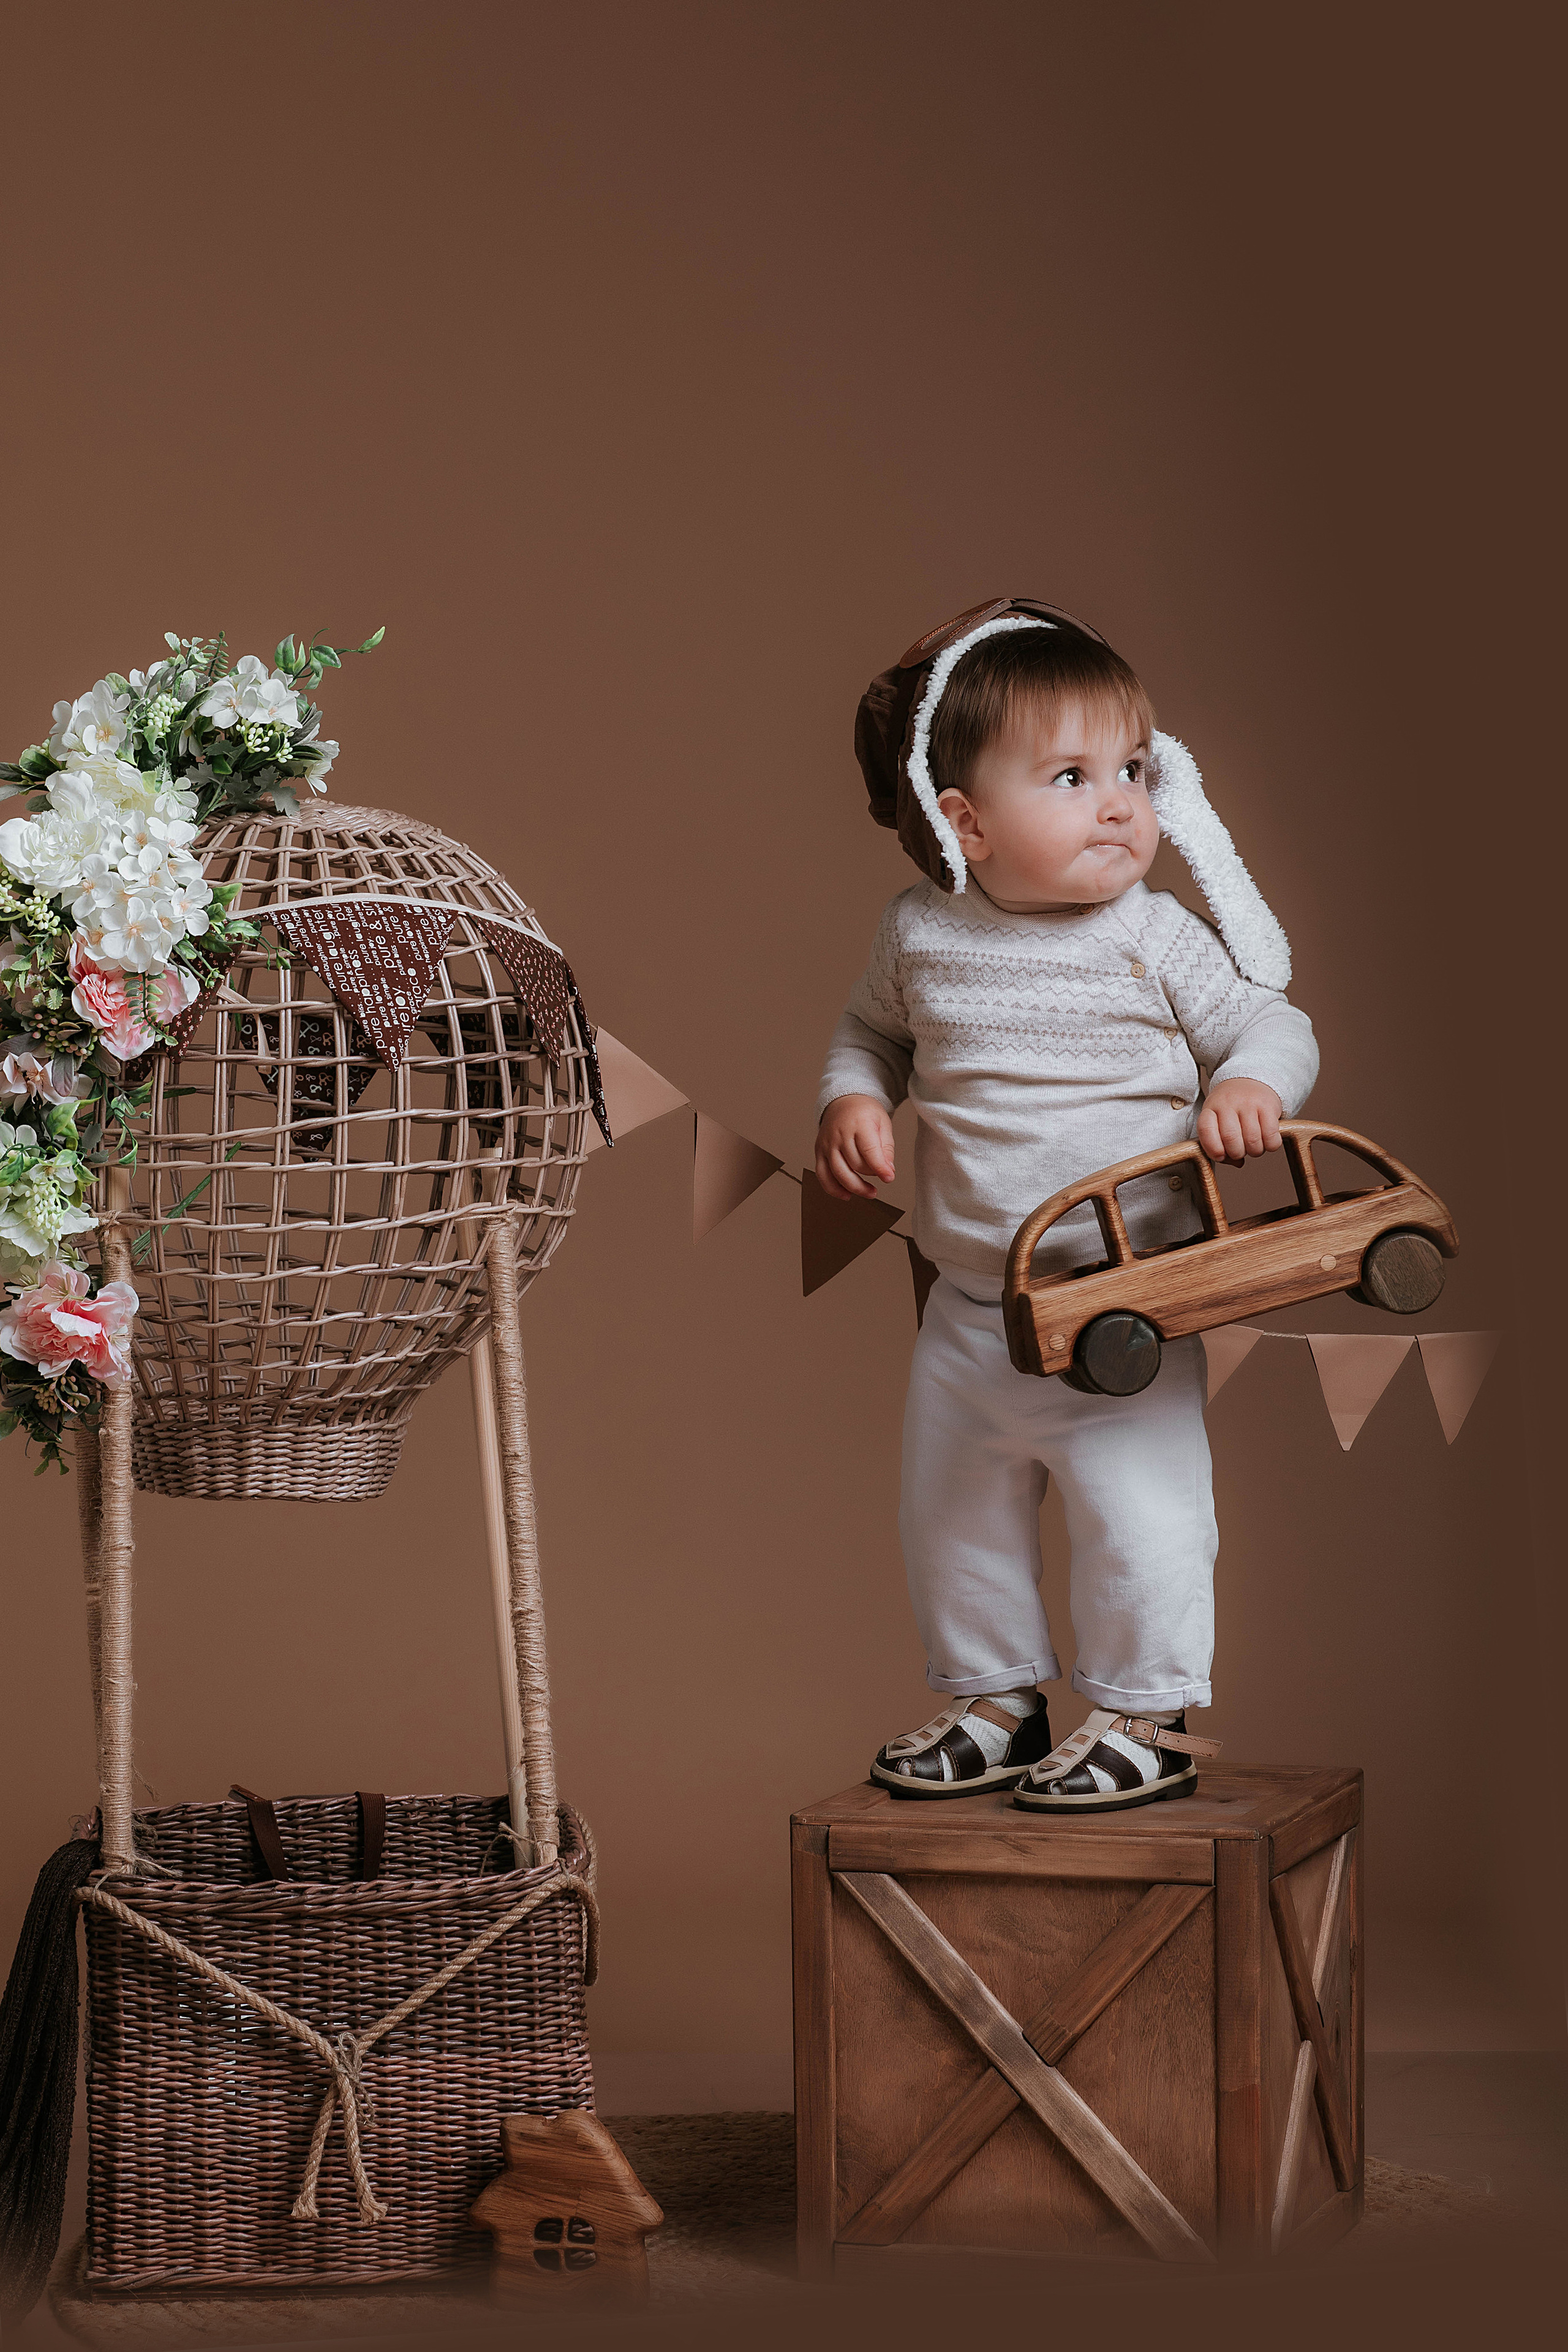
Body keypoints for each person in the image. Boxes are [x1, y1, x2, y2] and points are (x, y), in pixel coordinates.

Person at [816, 597, 1318, 1810]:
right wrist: (852, 1100)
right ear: (965, 822)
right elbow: (869, 1033)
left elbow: (1271, 1018)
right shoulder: (918, 936)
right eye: (1071, 775)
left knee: (1139, 1521)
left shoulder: (1154, 937)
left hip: (1119, 1307)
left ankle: (1145, 1711)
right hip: (969, 1306)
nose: (1118, 803)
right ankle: (993, 1698)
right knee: (952, 1513)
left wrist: (1250, 1080)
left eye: (1133, 771)